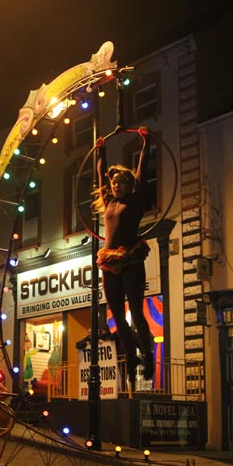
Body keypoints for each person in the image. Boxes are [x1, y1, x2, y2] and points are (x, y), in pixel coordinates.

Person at [93, 127, 154, 387]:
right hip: (109, 262)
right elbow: (101, 178)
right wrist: (102, 151)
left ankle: (147, 356)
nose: (116, 186)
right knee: (117, 314)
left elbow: (143, 169)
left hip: (130, 258)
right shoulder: (109, 202)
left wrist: (146, 142)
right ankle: (131, 356)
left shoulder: (135, 200)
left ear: (129, 186)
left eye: (121, 183)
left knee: (137, 312)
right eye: (114, 183)